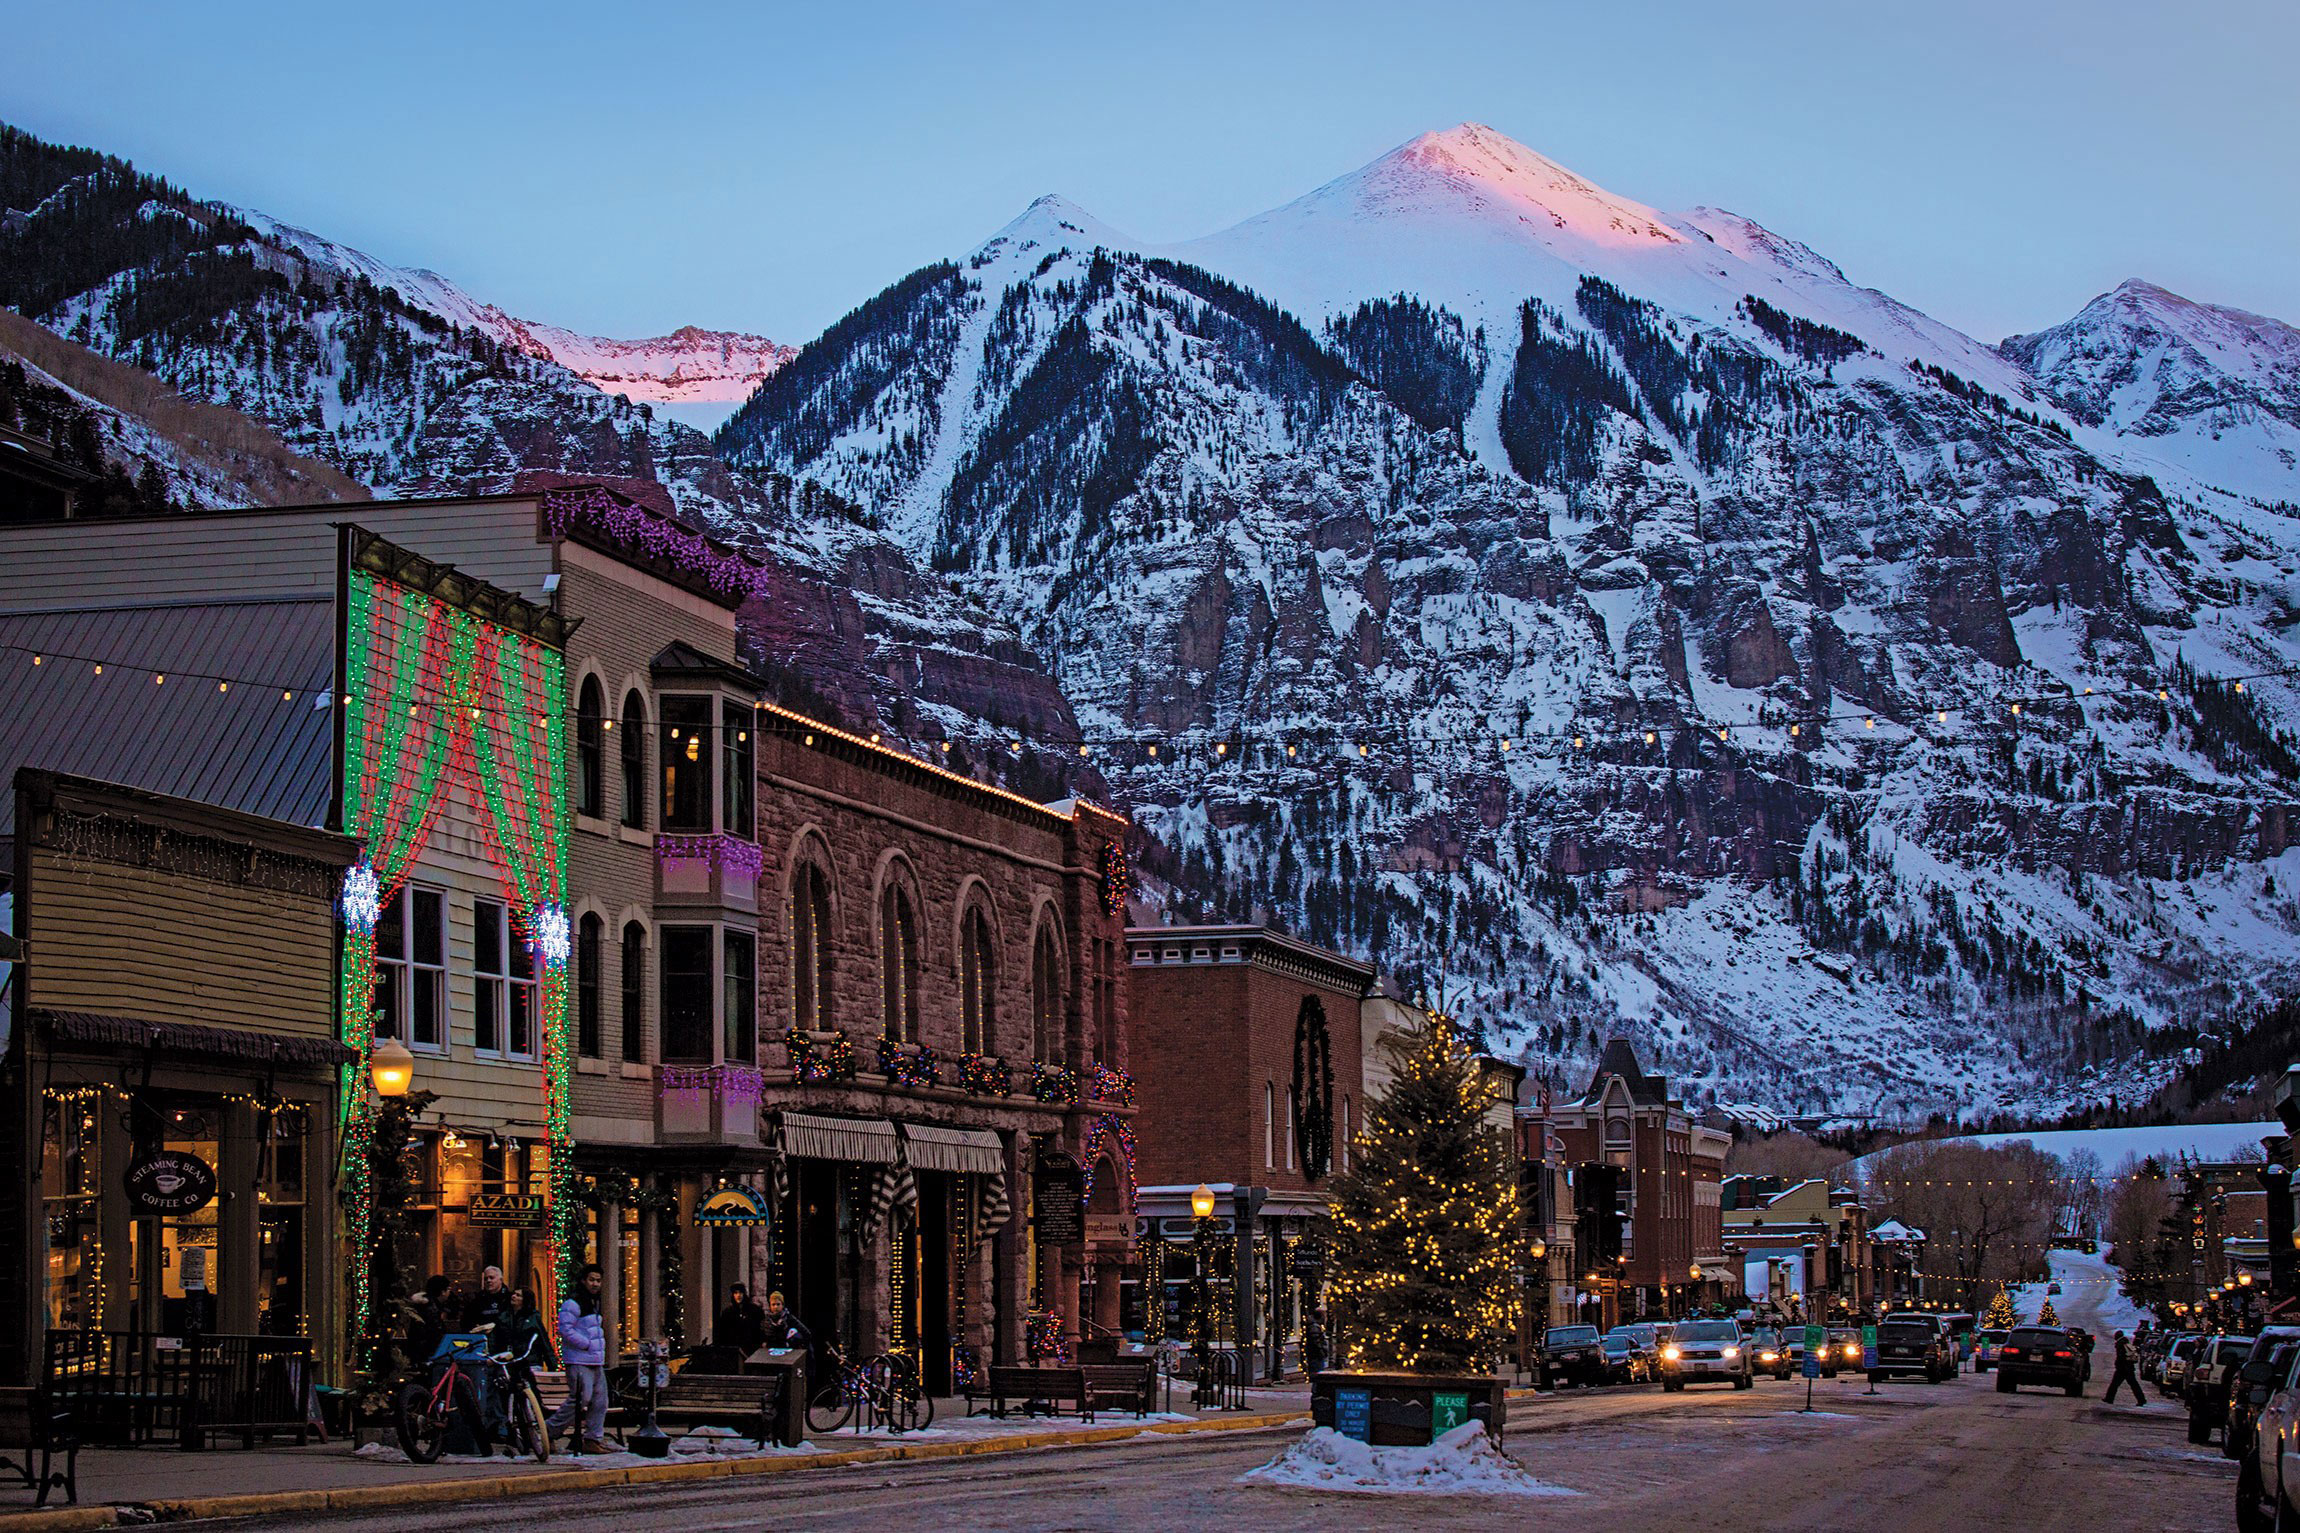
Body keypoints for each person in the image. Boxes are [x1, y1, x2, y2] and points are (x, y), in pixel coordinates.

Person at [549, 1264, 611, 1454]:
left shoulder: (595, 1302)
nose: (595, 1284)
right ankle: (548, 1430)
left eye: (598, 1280)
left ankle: (593, 1438)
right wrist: (586, 1344)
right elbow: (565, 1329)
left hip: (595, 1360)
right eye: (591, 1280)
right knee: (580, 1399)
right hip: (579, 1360)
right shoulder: (573, 1303)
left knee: (600, 1401)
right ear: (584, 1280)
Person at [715, 1283, 766, 1355]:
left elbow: (761, 1328)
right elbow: (723, 1332)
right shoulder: (727, 1312)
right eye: (736, 1293)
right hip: (734, 1349)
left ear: (744, 1294)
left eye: (740, 1293)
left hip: (751, 1347)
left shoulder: (755, 1310)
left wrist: (762, 1342)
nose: (738, 1295)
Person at [464, 1266, 513, 1333]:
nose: (488, 1281)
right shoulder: (477, 1299)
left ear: (501, 1280)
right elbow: (466, 1320)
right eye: (486, 1279)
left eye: (491, 1278)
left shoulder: (509, 1298)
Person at [2104, 1329, 2147, 1406]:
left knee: (2115, 1384)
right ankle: (2141, 1399)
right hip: (2128, 1368)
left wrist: (2118, 1365)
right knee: (2134, 1385)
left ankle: (2109, 1398)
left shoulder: (2121, 1344)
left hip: (2123, 1369)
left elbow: (2121, 1357)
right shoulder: (2126, 1343)